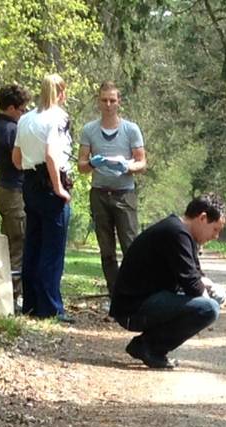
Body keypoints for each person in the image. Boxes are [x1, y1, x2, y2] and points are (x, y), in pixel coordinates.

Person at [109, 194, 226, 369]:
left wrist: (212, 289)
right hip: (132, 309)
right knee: (209, 309)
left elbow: (195, 274)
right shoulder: (176, 233)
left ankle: (147, 344)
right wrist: (206, 308)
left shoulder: (182, 233)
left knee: (214, 299)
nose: (216, 236)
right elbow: (192, 284)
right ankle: (149, 347)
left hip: (147, 300)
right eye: (215, 229)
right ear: (202, 218)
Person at [11, 73, 74, 323]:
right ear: (61, 94)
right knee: (52, 248)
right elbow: (51, 155)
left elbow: (16, 159)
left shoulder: (25, 119)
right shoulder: (58, 118)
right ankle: (51, 306)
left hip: (29, 183)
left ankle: (31, 303)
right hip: (50, 183)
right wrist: (58, 187)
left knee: (33, 245)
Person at [77, 81, 147, 294]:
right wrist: (92, 163)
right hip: (99, 194)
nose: (108, 104)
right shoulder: (89, 130)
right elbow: (81, 165)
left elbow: (142, 162)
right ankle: (114, 293)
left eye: (112, 100)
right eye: (104, 100)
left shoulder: (131, 129)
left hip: (124, 194)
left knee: (130, 246)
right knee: (106, 249)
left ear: (119, 102)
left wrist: (127, 166)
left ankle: (135, 292)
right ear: (98, 102)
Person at [0, 83, 30, 300]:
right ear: (12, 108)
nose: (23, 114)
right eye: (22, 110)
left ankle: (3, 293)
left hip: (3, 190)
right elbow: (21, 160)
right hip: (14, 192)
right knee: (18, 244)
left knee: (7, 243)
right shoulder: (11, 130)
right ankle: (12, 295)